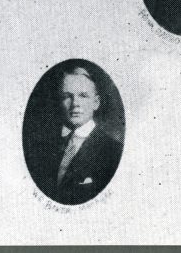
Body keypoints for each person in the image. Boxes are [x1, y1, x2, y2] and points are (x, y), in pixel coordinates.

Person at [27, 65, 123, 205]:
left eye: (83, 96)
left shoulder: (112, 150)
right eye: (67, 96)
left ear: (96, 103)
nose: (75, 104)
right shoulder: (45, 147)